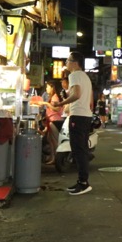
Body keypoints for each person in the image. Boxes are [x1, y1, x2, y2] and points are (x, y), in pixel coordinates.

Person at [54, 51, 94, 196]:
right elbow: (91, 101)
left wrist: (61, 103)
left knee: (78, 150)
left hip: (78, 116)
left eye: (67, 60)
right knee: (81, 149)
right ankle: (82, 181)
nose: (66, 63)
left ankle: (83, 183)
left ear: (74, 62)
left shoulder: (74, 75)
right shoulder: (85, 77)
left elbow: (76, 94)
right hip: (85, 116)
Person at [37, 81, 64, 165]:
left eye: (48, 87)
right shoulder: (52, 97)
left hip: (55, 121)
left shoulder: (55, 97)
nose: (46, 89)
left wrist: (46, 103)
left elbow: (57, 109)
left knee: (55, 140)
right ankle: (53, 157)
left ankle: (57, 159)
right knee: (50, 139)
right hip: (52, 120)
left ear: (52, 88)